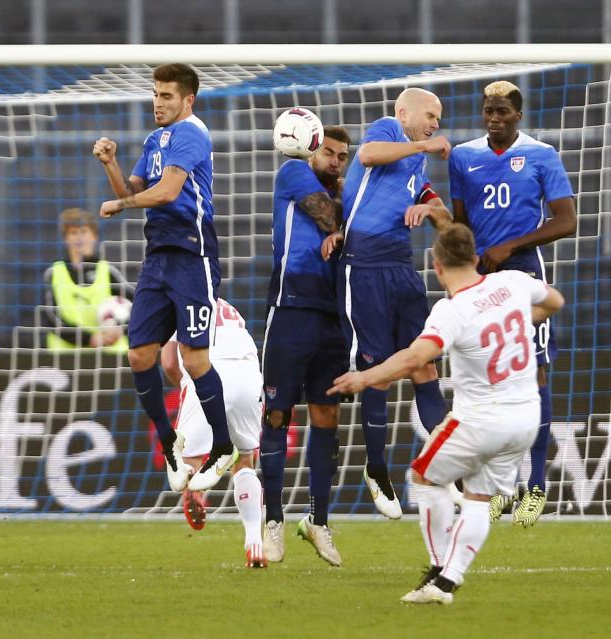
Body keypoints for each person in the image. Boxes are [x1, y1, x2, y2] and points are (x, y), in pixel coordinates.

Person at [328, 224, 564, 605]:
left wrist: (364, 377)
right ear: (475, 259)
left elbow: (415, 358)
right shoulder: (514, 282)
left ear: (437, 267)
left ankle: (438, 569)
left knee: (423, 476)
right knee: (479, 496)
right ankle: (448, 582)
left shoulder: (452, 309)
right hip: (525, 419)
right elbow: (555, 301)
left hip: (481, 420)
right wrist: (519, 319)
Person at [93, 63, 237, 493]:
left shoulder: (193, 132)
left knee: (194, 360)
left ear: (188, 100)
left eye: (167, 95)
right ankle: (171, 443)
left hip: (192, 256)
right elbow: (130, 189)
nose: (158, 102)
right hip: (157, 258)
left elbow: (168, 192)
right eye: (155, 94)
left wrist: (122, 206)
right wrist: (111, 164)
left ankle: (223, 446)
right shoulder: (156, 139)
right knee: (138, 355)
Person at [448, 80, 576, 527]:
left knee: (533, 368)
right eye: (488, 110)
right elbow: (461, 221)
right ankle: (499, 488)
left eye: (503, 111)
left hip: (525, 271)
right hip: (481, 274)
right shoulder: (464, 156)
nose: (494, 118)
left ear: (518, 115)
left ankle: (536, 486)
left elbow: (567, 220)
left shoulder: (542, 154)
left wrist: (510, 246)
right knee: (487, 373)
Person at [324, 88, 453, 520]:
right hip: (362, 265)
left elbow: (441, 211)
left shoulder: (417, 162)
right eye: (431, 115)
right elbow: (369, 155)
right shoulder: (388, 130)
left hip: (400, 265)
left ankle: (441, 467)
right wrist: (422, 143)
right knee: (376, 368)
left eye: (438, 119)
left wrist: (430, 211)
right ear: (404, 112)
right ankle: (376, 469)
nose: (436, 124)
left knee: (424, 363)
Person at [260, 127, 351, 566]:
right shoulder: (294, 172)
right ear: (313, 153)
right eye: (328, 153)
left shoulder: (345, 192)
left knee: (326, 416)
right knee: (277, 414)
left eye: (342, 156)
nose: (335, 161)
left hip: (334, 316)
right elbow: (327, 217)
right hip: (291, 307)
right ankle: (273, 519)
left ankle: (318, 520)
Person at [160, 298, 265, 567]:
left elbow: (170, 363)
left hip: (210, 367)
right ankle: (254, 542)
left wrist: (190, 385)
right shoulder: (226, 306)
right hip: (248, 371)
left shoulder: (179, 299)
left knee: (186, 457)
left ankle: (195, 485)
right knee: (245, 460)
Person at [42, 207, 134, 351]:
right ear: (66, 238)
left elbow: (138, 304)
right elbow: (51, 317)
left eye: (84, 231)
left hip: (109, 355)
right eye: (73, 233)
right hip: (65, 355)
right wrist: (89, 338)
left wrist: (121, 329)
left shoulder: (108, 271)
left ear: (94, 236)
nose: (79, 237)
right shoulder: (54, 273)